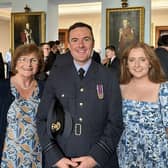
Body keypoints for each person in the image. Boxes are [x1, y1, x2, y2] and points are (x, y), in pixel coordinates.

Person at [37, 22, 123, 168]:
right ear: (68, 45)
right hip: (62, 161)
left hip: (99, 161)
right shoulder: (57, 75)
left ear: (93, 43)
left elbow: (116, 123)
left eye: (86, 39)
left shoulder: (110, 76)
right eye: (75, 40)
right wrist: (56, 158)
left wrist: (95, 158)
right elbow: (41, 119)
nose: (81, 45)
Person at [118, 42, 168, 167]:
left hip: (158, 154)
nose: (137, 65)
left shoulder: (164, 89)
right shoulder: (119, 88)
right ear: (126, 64)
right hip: (127, 153)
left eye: (142, 60)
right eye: (132, 60)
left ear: (150, 62)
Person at [0, 44, 45, 167]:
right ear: (15, 63)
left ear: (39, 64)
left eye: (33, 60)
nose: (28, 64)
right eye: (23, 59)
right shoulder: (2, 88)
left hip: (37, 156)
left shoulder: (45, 89)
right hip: (8, 158)